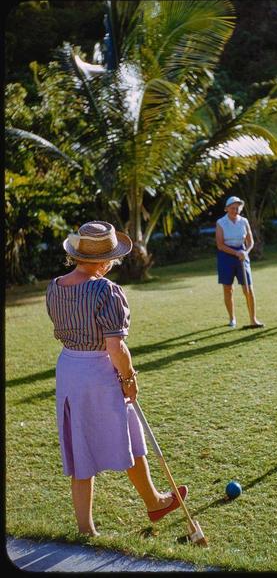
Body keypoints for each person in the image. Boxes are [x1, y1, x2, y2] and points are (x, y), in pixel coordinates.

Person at [46, 221, 187, 536]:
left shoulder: (54, 286)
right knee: (127, 431)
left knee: (80, 442)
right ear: (105, 260)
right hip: (98, 370)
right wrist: (129, 377)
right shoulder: (105, 290)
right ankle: (153, 502)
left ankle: (91, 526)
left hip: (69, 368)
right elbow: (116, 346)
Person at [216, 196, 264, 328]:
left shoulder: (244, 221)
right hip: (226, 256)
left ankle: (253, 319)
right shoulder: (221, 222)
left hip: (242, 255)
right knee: (228, 288)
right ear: (227, 209)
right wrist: (236, 253)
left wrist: (245, 252)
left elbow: (250, 241)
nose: (235, 210)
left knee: (248, 288)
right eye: (232, 208)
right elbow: (220, 245)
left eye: (237, 208)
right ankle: (232, 318)